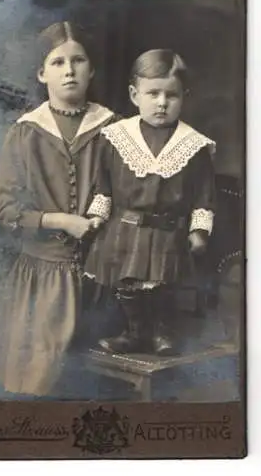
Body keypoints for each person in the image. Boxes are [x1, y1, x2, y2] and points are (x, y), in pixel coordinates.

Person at [0, 21, 117, 396]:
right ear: (42, 73)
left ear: (91, 69)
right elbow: (6, 211)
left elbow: (127, 191)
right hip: (42, 283)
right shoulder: (24, 132)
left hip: (102, 280)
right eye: (58, 62)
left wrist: (100, 216)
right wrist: (61, 220)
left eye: (78, 60)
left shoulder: (114, 129)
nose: (69, 70)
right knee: (42, 389)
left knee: (97, 393)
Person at [85, 49, 216, 356]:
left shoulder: (194, 146)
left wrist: (199, 231)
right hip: (123, 230)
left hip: (166, 232)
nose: (161, 102)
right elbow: (102, 186)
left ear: (184, 97)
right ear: (134, 94)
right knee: (127, 286)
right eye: (152, 93)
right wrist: (96, 217)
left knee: (162, 286)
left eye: (171, 95)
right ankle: (133, 333)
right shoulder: (116, 137)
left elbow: (203, 195)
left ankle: (161, 333)